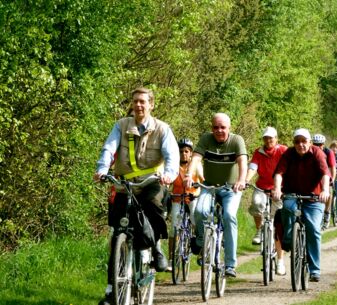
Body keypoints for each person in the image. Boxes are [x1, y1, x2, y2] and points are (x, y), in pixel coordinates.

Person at [94, 87, 180, 305]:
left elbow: (172, 155)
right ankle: (110, 290)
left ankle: (157, 247)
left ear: (151, 104)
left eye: (143, 101)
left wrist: (169, 175)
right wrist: (103, 169)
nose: (139, 105)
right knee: (116, 235)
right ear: (132, 104)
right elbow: (109, 148)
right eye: (135, 101)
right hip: (125, 184)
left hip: (152, 182)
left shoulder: (162, 129)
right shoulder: (121, 126)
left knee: (153, 205)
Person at [184, 113, 247, 278]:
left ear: (229, 128)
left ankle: (230, 265)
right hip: (209, 187)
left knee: (229, 216)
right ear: (211, 128)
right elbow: (196, 158)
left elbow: (242, 162)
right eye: (215, 127)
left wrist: (241, 180)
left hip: (231, 189)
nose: (219, 131)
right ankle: (200, 241)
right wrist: (189, 175)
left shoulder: (236, 140)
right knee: (199, 211)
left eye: (223, 127)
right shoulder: (206, 139)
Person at [272, 128, 330, 283]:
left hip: (314, 197)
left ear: (310, 142)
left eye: (304, 141)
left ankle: (314, 270)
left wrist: (325, 190)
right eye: (297, 141)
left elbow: (325, 173)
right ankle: (289, 238)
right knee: (287, 208)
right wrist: (277, 188)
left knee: (313, 229)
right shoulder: (289, 153)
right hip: (292, 194)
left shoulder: (317, 153)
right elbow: (279, 173)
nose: (300, 144)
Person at [245, 126, 288, 275]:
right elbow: (253, 167)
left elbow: (288, 167)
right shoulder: (259, 152)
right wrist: (245, 180)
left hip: (279, 189)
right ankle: (259, 230)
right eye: (266, 138)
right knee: (257, 204)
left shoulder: (283, 150)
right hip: (262, 186)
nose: (268, 141)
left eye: (271, 138)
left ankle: (280, 261)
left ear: (276, 139)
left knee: (278, 225)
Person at [168, 138, 204, 270]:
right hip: (177, 197)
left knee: (196, 221)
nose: (184, 154)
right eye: (181, 151)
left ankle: (201, 251)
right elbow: (168, 180)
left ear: (191, 153)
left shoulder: (196, 165)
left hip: (192, 197)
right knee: (174, 228)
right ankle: (171, 259)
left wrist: (200, 189)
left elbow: (201, 179)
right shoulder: (173, 165)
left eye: (187, 151)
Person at [312, 134, 336, 229]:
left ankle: (327, 212)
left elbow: (332, 167)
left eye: (320, 144)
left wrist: (332, 179)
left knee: (329, 193)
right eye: (316, 144)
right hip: (314, 177)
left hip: (327, 175)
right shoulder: (310, 151)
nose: (318, 146)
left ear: (323, 144)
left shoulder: (328, 152)